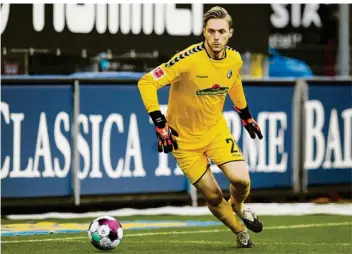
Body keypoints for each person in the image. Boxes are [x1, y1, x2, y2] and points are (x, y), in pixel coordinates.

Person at [138, 6, 263, 248]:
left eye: (221, 32)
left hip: (215, 131)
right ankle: (239, 231)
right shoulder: (186, 60)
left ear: (230, 34)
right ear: (204, 33)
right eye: (211, 31)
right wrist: (160, 122)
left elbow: (233, 80)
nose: (216, 37)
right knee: (214, 195)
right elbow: (146, 82)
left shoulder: (234, 59)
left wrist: (245, 114)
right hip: (183, 141)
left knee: (241, 181)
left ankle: (238, 205)